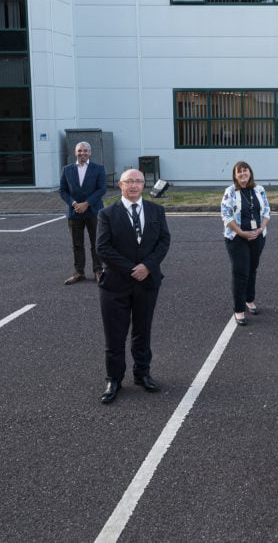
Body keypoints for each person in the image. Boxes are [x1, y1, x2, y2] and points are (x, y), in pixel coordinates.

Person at [95, 169, 171, 405]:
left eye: (139, 181)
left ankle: (142, 374)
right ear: (120, 185)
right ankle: (114, 379)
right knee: (115, 335)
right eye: (130, 181)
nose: (135, 186)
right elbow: (103, 248)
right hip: (116, 284)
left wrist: (147, 266)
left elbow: (163, 241)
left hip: (147, 282)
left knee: (142, 331)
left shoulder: (156, 211)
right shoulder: (107, 214)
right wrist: (131, 268)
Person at [220, 161, 271, 326]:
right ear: (235, 175)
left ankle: (249, 300)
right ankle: (239, 309)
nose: (243, 174)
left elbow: (267, 211)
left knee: (252, 269)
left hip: (258, 236)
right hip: (237, 237)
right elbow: (226, 215)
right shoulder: (230, 192)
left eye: (245, 170)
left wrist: (260, 228)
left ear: (250, 172)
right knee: (241, 272)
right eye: (239, 172)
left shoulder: (259, 190)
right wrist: (241, 232)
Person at [59, 141, 107, 284]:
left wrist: (86, 203)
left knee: (96, 242)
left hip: (93, 210)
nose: (83, 153)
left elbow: (102, 189)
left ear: (90, 153)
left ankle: (98, 270)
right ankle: (79, 273)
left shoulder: (98, 168)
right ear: (75, 153)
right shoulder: (67, 169)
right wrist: (74, 204)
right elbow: (63, 190)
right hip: (74, 212)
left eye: (85, 151)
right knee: (77, 244)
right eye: (80, 151)